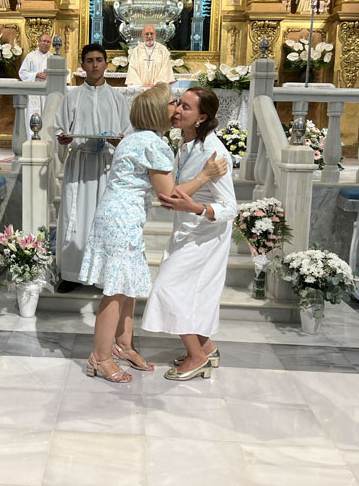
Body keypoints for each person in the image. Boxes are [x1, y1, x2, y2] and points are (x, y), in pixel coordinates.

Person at [79, 84, 228, 382]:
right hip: (122, 220)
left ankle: (124, 346)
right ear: (158, 110)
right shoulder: (153, 144)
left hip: (116, 216)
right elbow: (169, 196)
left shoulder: (136, 137)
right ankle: (100, 357)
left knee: (127, 286)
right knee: (116, 292)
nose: (177, 107)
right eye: (173, 102)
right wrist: (205, 176)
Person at [142, 86, 238, 381]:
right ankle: (207, 348)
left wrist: (195, 208)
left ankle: (197, 358)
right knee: (189, 293)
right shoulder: (184, 143)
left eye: (186, 107)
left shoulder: (213, 152)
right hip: (186, 229)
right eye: (178, 103)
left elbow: (231, 208)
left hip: (206, 234)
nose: (177, 110)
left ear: (201, 117)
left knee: (168, 288)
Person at [54, 43, 130, 294]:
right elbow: (59, 128)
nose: (95, 65)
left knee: (104, 220)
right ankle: (72, 273)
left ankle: (102, 275)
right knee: (75, 218)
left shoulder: (117, 98)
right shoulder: (72, 96)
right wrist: (62, 139)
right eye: (89, 60)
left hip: (106, 167)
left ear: (106, 64)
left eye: (99, 60)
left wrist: (119, 142)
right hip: (80, 166)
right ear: (82, 65)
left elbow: (127, 132)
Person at [19, 33, 52, 125]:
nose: (46, 44)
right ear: (39, 42)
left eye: (48, 42)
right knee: (33, 115)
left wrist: (49, 76)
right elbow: (22, 73)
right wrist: (35, 75)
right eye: (44, 41)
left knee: (47, 117)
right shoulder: (30, 56)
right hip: (33, 92)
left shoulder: (53, 58)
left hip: (47, 93)